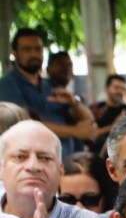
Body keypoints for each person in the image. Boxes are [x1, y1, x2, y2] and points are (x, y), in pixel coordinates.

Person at [0, 28, 97, 160]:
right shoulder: (6, 84)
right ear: (15, 53)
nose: (34, 54)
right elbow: (24, 123)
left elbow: (89, 120)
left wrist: (74, 102)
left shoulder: (52, 85)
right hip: (33, 165)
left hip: (66, 162)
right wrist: (76, 132)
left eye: (38, 49)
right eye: (27, 49)